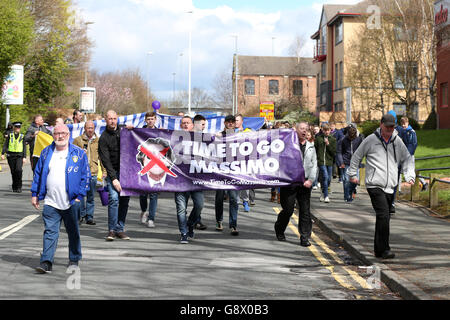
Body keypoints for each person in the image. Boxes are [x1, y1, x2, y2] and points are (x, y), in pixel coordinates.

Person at [348, 113, 415, 259]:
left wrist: (409, 176)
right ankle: (384, 249)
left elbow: (407, 159)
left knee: (384, 217)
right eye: (388, 127)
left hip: (390, 185)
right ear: (381, 125)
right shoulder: (371, 140)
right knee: (384, 214)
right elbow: (356, 157)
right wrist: (353, 175)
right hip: (374, 184)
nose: (390, 129)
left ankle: (379, 250)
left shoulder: (397, 141)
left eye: (392, 127)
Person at [31, 124, 89, 273]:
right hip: (51, 201)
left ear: (68, 135)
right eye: (57, 133)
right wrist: (34, 194)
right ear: (53, 135)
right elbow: (37, 175)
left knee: (73, 231)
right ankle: (46, 261)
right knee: (50, 232)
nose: (60, 136)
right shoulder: (45, 153)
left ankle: (74, 258)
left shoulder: (79, 154)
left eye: (63, 133)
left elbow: (85, 176)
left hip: (71, 202)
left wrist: (79, 196)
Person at [274, 122, 317, 247]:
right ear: (296, 130)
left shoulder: (311, 146)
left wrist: (311, 179)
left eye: (306, 129)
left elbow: (314, 164)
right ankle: (279, 229)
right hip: (290, 183)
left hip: (305, 183)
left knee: (305, 211)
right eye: (302, 129)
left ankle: (304, 237)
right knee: (288, 210)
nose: (304, 131)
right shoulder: (287, 145)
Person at [98, 110, 131, 241]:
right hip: (113, 172)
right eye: (110, 118)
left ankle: (120, 229)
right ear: (105, 120)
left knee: (125, 200)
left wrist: (132, 130)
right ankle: (112, 230)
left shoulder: (124, 131)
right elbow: (106, 161)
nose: (112, 121)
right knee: (113, 198)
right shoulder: (103, 138)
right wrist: (114, 179)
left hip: (126, 172)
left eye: (114, 118)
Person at [174, 116, 201, 243]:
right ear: (180, 126)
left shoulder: (200, 138)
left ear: (192, 125)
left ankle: (190, 223)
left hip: (196, 180)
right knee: (181, 208)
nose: (185, 125)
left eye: (188, 123)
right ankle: (183, 232)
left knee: (199, 205)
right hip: (179, 181)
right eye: (183, 123)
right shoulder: (174, 138)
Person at [73, 120, 104, 225]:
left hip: (93, 173)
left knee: (91, 196)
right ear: (84, 129)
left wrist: (104, 171)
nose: (90, 130)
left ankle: (89, 217)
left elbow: (102, 157)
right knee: (81, 195)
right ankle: (81, 215)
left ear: (94, 129)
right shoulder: (78, 140)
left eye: (92, 128)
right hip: (81, 174)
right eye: (88, 128)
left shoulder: (99, 141)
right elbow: (72, 157)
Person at [215, 115, 240, 236]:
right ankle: (219, 221)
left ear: (235, 124)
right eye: (228, 122)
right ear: (224, 123)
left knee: (234, 199)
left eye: (232, 122)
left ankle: (233, 224)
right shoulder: (218, 135)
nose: (230, 124)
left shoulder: (240, 136)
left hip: (234, 172)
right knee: (219, 198)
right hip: (220, 171)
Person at [139, 111, 160, 228]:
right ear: (145, 120)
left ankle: (151, 218)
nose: (150, 121)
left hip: (156, 166)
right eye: (148, 119)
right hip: (142, 165)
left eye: (152, 119)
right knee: (142, 193)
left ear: (155, 119)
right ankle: (143, 211)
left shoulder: (159, 132)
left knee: (154, 194)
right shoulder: (140, 132)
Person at [336, 125, 363, 202]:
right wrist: (341, 162)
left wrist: (360, 161)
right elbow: (339, 152)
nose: (351, 138)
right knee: (346, 180)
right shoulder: (343, 140)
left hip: (355, 162)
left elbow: (362, 151)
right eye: (350, 137)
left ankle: (351, 192)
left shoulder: (359, 140)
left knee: (355, 180)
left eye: (353, 137)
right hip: (346, 162)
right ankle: (347, 196)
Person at [235, 114, 255, 211]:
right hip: (234, 161)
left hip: (246, 161)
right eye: (235, 120)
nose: (236, 122)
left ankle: (245, 201)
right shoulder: (230, 131)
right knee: (235, 182)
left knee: (245, 182)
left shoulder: (248, 131)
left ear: (242, 121)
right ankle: (236, 202)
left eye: (238, 120)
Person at [191, 114, 207, 230]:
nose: (204, 127)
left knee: (199, 204)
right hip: (184, 176)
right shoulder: (185, 135)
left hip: (197, 175)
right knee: (181, 208)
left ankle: (193, 221)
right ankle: (185, 229)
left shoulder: (204, 137)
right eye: (202, 124)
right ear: (196, 124)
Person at [314, 123, 336, 203]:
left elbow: (334, 152)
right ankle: (326, 196)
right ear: (322, 130)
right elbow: (315, 150)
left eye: (328, 130)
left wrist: (328, 144)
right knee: (325, 177)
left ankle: (322, 191)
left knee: (328, 179)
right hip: (321, 161)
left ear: (330, 130)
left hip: (329, 162)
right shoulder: (318, 139)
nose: (327, 132)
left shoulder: (333, 139)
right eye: (325, 130)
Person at [2, 122, 26, 192]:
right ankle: (14, 186)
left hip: (19, 156)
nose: (18, 128)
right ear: (14, 128)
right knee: (13, 172)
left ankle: (19, 186)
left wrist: (24, 157)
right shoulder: (10, 135)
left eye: (19, 127)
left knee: (18, 170)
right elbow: (6, 144)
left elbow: (24, 147)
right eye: (17, 127)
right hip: (11, 156)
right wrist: (3, 153)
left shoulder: (22, 136)